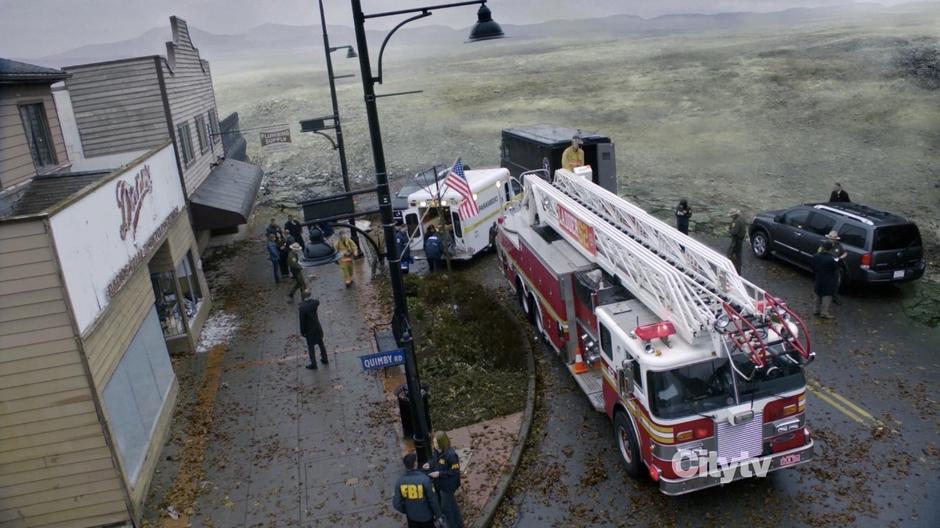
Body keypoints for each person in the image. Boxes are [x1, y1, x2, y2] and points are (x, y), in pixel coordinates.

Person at [393, 453, 442, 528]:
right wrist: (438, 515)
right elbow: (433, 500)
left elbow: (396, 503)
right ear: (415, 464)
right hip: (426, 517)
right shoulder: (425, 480)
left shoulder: (400, 482)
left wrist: (407, 510)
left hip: (411, 518)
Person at [428, 431, 463, 528]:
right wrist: (430, 464)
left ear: (442, 442)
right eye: (434, 442)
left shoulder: (451, 455)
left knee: (446, 508)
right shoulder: (437, 451)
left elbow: (454, 471)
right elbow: (435, 461)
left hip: (448, 486)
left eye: (436, 442)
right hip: (440, 484)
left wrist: (439, 474)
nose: (434, 445)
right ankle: (459, 524)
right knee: (452, 506)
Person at [298, 294, 327, 369]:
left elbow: (302, 321)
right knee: (321, 344)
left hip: (309, 330)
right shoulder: (314, 303)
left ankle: (314, 364)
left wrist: (302, 331)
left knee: (311, 347)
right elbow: (317, 301)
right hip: (317, 327)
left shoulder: (302, 308)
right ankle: (325, 359)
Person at [819, 230, 848, 304]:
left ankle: (834, 298)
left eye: (833, 238)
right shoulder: (824, 244)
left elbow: (845, 253)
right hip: (826, 268)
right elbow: (819, 254)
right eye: (831, 238)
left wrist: (840, 258)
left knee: (836, 284)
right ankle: (821, 298)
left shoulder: (839, 245)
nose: (832, 240)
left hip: (835, 268)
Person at [812, 241, 839, 319]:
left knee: (817, 293)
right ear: (831, 249)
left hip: (818, 277)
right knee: (826, 296)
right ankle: (824, 313)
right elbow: (835, 269)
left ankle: (816, 310)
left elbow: (813, 267)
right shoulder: (831, 259)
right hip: (828, 280)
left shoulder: (816, 256)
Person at [727, 209, 747, 274]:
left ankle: (733, 269)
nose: (730, 217)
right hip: (740, 238)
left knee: (730, 254)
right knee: (738, 254)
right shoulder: (741, 218)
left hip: (736, 239)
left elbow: (734, 232)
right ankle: (738, 270)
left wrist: (729, 230)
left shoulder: (736, 222)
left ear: (734, 215)